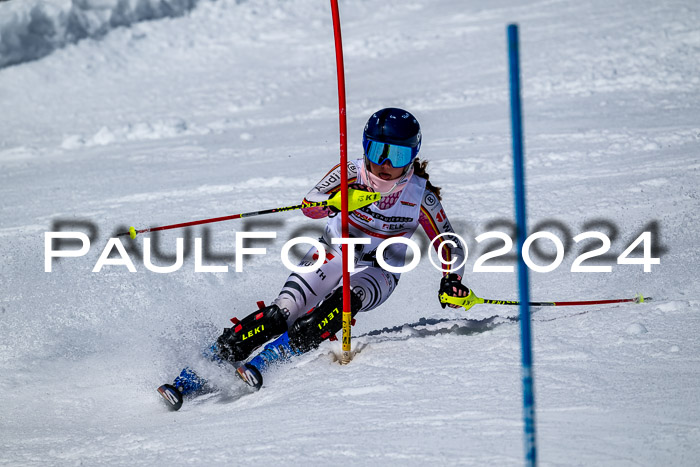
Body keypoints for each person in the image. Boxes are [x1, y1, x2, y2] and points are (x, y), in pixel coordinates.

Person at [162, 108, 472, 404]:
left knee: (339, 306)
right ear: (366, 147)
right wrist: (336, 201)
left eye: (398, 154)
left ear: (412, 157)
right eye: (378, 151)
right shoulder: (351, 172)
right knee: (280, 314)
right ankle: (198, 371)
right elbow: (310, 202)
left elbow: (449, 244)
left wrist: (451, 280)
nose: (386, 164)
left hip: (379, 271)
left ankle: (269, 360)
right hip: (332, 252)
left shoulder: (420, 196)